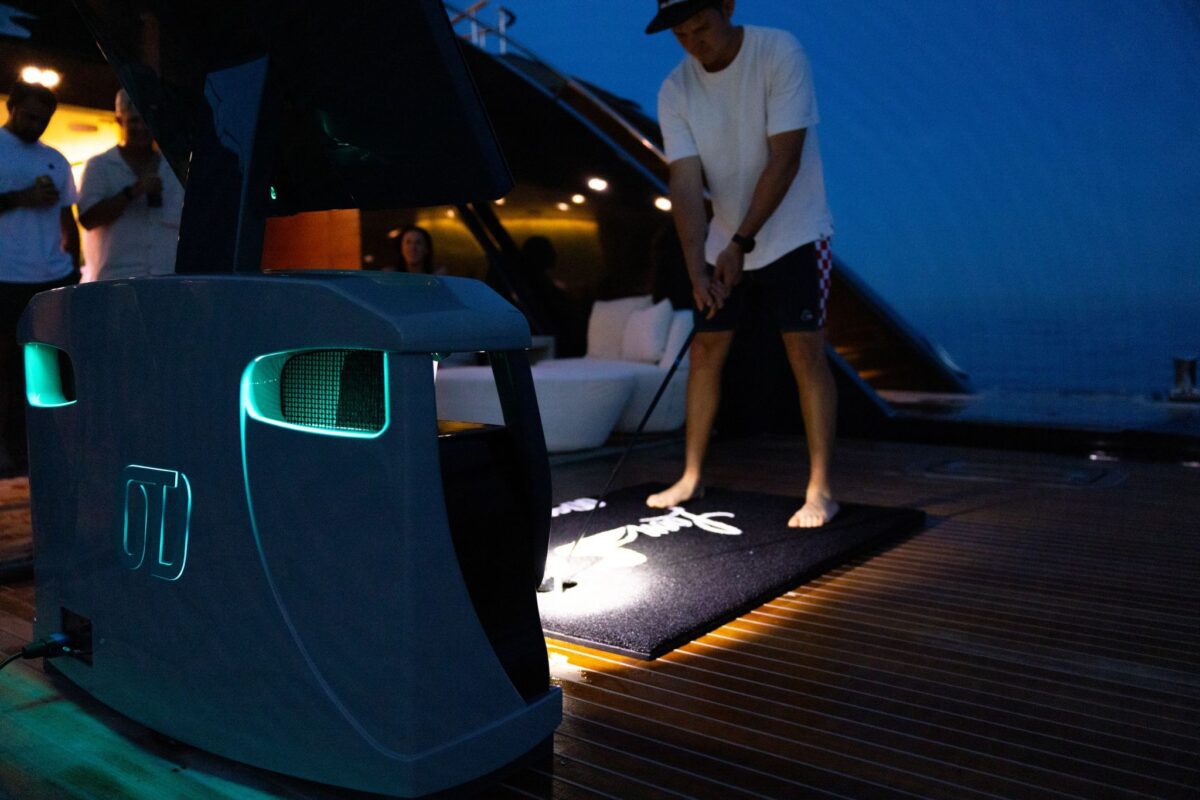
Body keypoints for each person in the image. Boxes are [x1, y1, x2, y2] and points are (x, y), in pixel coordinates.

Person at [644, 0, 839, 528]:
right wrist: (696, 266)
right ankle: (691, 475)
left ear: (727, 6)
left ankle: (820, 489)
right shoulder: (675, 89)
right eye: (681, 35)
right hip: (724, 239)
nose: (694, 42)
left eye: (701, 27)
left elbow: (786, 157)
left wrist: (741, 243)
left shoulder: (778, 52)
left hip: (796, 231)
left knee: (804, 352)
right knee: (706, 350)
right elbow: (685, 182)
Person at [0, 80, 80, 474]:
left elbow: (68, 217)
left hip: (50, 275)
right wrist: (20, 198)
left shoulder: (55, 159)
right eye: (30, 117)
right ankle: (11, 453)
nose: (36, 125)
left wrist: (74, 266)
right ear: (11, 107)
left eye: (43, 120)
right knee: (7, 369)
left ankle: (50, 449)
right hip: (5, 276)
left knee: (52, 368)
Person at [77, 89, 183, 281]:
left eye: (147, 121)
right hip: (116, 279)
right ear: (120, 120)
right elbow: (88, 219)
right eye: (134, 120)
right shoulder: (99, 165)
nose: (141, 127)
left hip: (167, 275)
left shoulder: (174, 167)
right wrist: (134, 191)